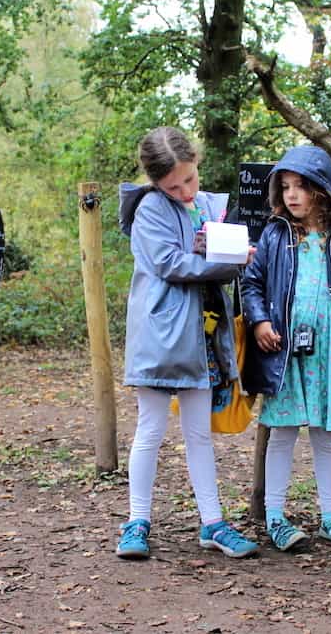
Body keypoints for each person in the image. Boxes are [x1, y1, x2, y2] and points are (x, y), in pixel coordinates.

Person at [115, 126, 259, 560]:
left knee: (199, 433)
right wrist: (226, 263)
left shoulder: (211, 205)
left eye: (189, 180)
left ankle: (213, 523)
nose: (183, 191)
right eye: (171, 185)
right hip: (160, 335)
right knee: (151, 429)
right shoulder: (149, 210)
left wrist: (235, 254)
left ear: (196, 163)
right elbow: (169, 263)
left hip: (204, 336)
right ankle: (136, 522)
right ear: (155, 181)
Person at [241, 145, 331, 551]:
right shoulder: (273, 235)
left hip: (329, 354)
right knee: (282, 433)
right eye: (285, 187)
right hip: (284, 352)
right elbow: (252, 283)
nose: (292, 195)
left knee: (325, 435)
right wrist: (260, 321)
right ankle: (275, 518)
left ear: (322, 190)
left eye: (301, 186)